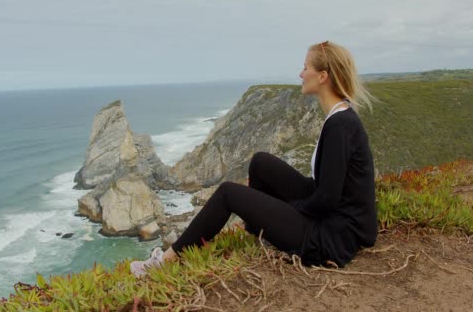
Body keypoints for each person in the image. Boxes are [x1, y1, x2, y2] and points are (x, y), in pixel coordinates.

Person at [130, 41, 377, 277]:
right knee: (260, 162)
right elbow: (329, 189)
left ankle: (164, 262)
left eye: (305, 67)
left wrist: (291, 210)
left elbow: (327, 199)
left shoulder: (340, 126)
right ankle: (262, 232)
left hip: (330, 239)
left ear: (322, 76)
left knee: (228, 193)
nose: (301, 74)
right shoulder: (340, 117)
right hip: (336, 223)